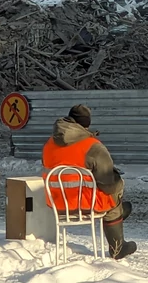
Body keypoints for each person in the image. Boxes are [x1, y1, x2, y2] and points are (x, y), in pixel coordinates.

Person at [41, 104, 137, 260]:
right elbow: (108, 184)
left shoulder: (48, 145)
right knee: (113, 191)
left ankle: (118, 215)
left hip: (58, 204)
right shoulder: (92, 147)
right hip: (86, 205)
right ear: (87, 124)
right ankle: (118, 247)